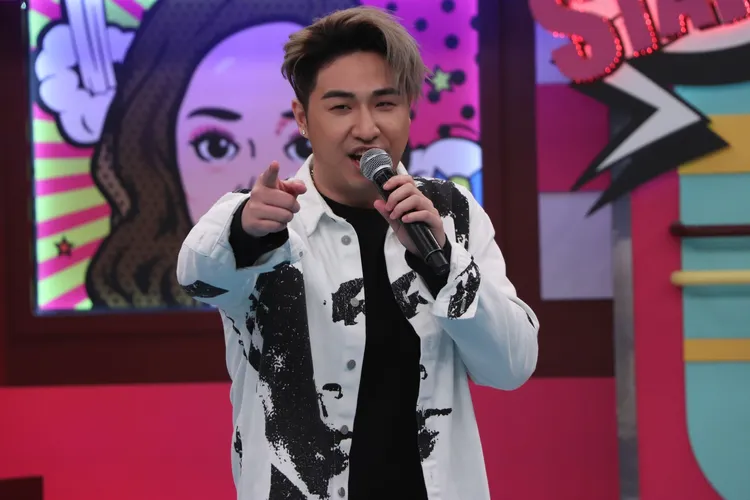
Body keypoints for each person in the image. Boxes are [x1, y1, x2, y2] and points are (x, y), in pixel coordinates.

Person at [176, 6, 539, 500]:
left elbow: (512, 365)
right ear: (303, 118)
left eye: (385, 103)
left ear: (409, 109)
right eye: (341, 107)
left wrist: (444, 264)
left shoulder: (451, 213)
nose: (367, 128)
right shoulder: (266, 218)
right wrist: (244, 231)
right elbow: (199, 276)